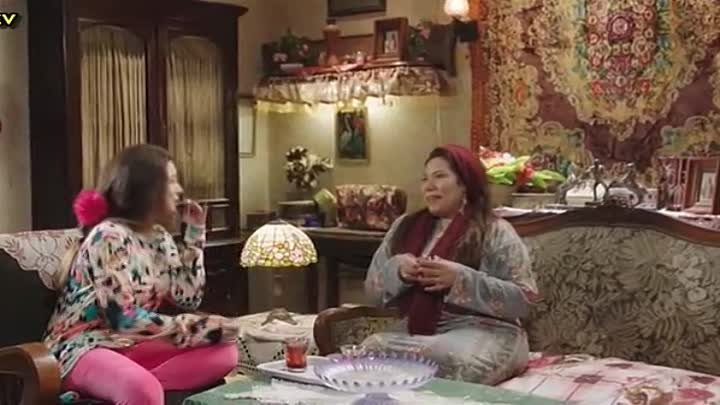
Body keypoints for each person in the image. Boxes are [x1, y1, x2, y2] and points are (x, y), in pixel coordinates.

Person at [44, 144, 239, 405]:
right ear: (147, 189)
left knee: (226, 353)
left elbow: (189, 297)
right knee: (143, 388)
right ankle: (135, 387)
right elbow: (122, 319)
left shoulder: (159, 237)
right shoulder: (108, 236)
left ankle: (130, 386)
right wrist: (196, 327)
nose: (179, 190)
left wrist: (195, 235)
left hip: (129, 344)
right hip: (83, 347)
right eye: (171, 181)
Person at [363, 144, 538, 385]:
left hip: (487, 332)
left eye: (439, 176)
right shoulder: (403, 227)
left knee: (454, 360)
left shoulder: (495, 230)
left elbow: (523, 301)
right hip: (420, 330)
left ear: (465, 183)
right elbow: (372, 294)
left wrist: (460, 280)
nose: (429, 186)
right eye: (425, 179)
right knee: (369, 351)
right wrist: (398, 271)